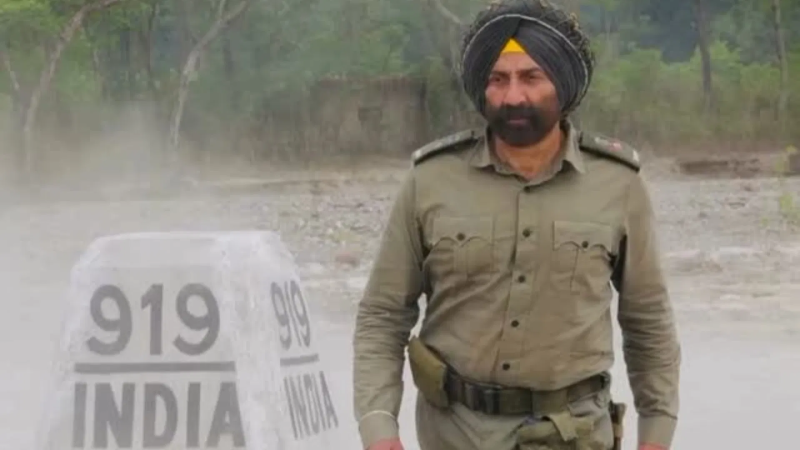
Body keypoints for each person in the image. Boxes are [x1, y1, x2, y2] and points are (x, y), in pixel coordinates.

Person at [352, 1, 681, 449]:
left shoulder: (619, 184)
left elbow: (648, 323)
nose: (513, 97)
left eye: (531, 77)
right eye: (497, 79)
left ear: (562, 83)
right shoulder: (430, 180)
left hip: (574, 434)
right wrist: (378, 428)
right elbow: (384, 315)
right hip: (454, 434)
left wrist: (656, 434)